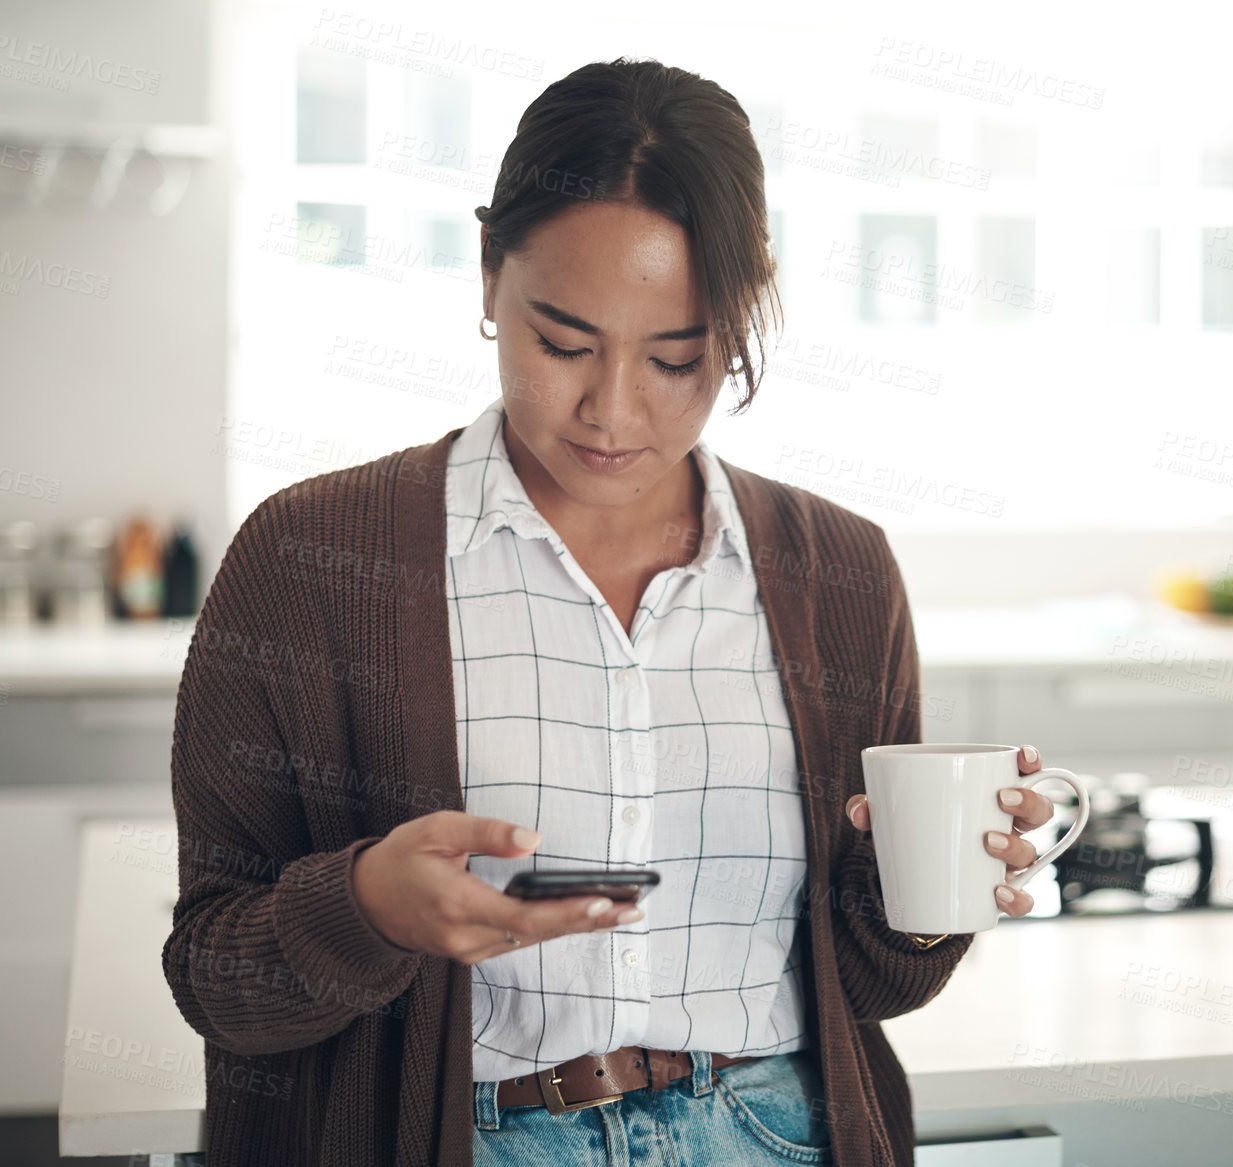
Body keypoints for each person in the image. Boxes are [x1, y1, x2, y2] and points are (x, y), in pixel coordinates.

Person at [163, 57, 1061, 1167]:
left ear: (740, 316)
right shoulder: (311, 561)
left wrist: (926, 897)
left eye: (677, 358)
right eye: (564, 344)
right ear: (489, 269)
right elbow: (213, 975)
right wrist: (363, 908)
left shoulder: (841, 574)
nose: (613, 410)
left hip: (773, 1134)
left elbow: (879, 983)